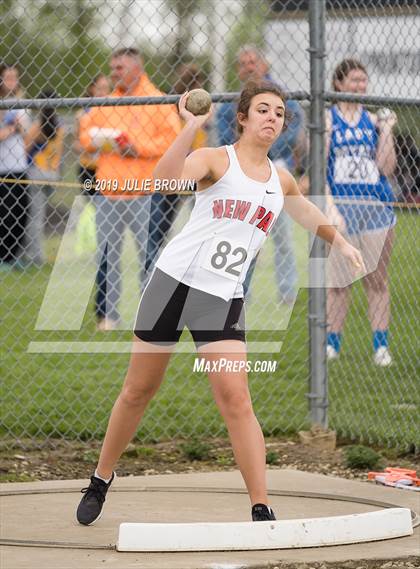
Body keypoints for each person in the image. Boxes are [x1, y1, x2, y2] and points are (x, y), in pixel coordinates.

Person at [76, 81, 364, 526]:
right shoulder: (215, 159)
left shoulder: (279, 179)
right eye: (263, 110)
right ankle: (101, 478)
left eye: (280, 113)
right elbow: (165, 181)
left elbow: (305, 210)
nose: (273, 118)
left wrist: (341, 242)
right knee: (138, 391)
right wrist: (190, 127)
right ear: (243, 118)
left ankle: (261, 505)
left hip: (221, 297)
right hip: (172, 285)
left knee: (236, 398)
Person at [79, 48, 180, 330]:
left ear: (137, 68)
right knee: (107, 256)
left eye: (119, 68)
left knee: (150, 256)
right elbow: (85, 134)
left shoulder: (158, 101)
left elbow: (171, 140)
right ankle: (108, 316)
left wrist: (137, 148)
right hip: (108, 190)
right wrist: (102, 141)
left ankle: (153, 315)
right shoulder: (107, 102)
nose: (114, 73)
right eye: (112, 68)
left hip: (145, 191)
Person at [217, 45, 307, 304]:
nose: (249, 66)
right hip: (243, 171)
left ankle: (288, 293)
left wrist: (262, 146)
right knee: (243, 235)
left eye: (253, 61)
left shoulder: (280, 94)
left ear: (264, 65)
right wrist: (250, 150)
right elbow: (224, 134)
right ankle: (239, 292)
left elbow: (293, 126)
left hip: (277, 168)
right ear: (238, 70)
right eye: (243, 63)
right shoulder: (232, 101)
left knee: (282, 236)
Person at [325, 59, 397, 367]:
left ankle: (381, 347)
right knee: (339, 283)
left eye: (364, 80)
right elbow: (319, 170)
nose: (360, 85)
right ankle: (332, 345)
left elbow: (386, 167)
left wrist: (387, 131)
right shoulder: (328, 120)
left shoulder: (373, 121)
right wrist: (328, 207)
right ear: (339, 84)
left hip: (376, 208)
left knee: (377, 280)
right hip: (341, 210)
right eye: (354, 80)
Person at [145, 62, 209, 277]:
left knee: (177, 216)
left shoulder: (199, 106)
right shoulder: (174, 107)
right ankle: (162, 260)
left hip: (191, 164)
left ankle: (174, 260)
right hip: (180, 165)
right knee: (165, 216)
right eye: (197, 83)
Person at [74, 74, 111, 329]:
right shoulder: (84, 114)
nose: (104, 92)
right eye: (100, 88)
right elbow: (80, 145)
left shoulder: (114, 110)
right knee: (99, 215)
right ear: (92, 89)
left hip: (111, 172)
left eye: (107, 89)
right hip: (90, 172)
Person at [24, 90, 65, 266]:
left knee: (35, 217)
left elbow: (24, 149)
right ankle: (35, 253)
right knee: (40, 216)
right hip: (52, 174)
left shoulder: (38, 126)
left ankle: (35, 256)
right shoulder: (59, 126)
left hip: (37, 172)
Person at [0, 63, 31, 269]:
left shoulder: (21, 103)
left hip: (21, 166)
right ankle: (3, 257)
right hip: (3, 169)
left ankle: (13, 257)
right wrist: (12, 127)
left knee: (21, 211)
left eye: (15, 77)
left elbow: (27, 132)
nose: (12, 81)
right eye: (8, 77)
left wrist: (18, 127)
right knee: (5, 214)